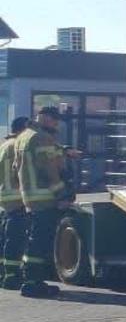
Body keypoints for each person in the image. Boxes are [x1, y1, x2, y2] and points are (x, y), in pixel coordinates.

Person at [14, 106, 70, 298]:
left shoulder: (23, 136)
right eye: (54, 120)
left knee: (33, 240)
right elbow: (50, 169)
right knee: (41, 241)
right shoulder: (41, 137)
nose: (56, 123)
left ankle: (31, 280)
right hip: (45, 197)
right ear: (45, 118)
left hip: (29, 196)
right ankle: (33, 283)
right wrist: (62, 194)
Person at [0, 116, 28, 290]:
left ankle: (4, 273)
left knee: (5, 238)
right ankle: (12, 276)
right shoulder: (18, 146)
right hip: (18, 199)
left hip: (5, 198)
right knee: (15, 239)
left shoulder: (4, 146)